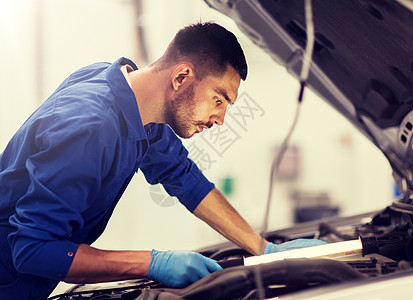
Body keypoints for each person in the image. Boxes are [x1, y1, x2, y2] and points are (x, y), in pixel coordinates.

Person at [0, 22, 324, 299]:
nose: (221, 118)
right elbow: (32, 249)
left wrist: (261, 247)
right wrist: (153, 262)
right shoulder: (90, 127)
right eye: (218, 98)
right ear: (181, 77)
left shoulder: (136, 105)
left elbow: (184, 177)